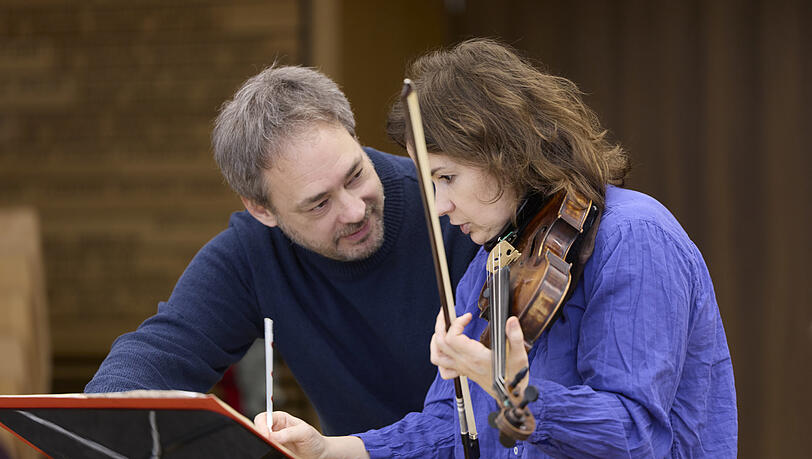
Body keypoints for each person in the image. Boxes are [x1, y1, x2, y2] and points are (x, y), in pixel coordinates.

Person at [254, 39, 738, 458]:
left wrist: (511, 389)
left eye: (447, 177)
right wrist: (330, 449)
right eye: (429, 183)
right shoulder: (496, 262)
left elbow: (636, 436)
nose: (439, 206)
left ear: (507, 152)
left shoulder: (634, 236)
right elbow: (451, 427)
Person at [84, 65, 479, 436]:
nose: (354, 210)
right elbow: (162, 352)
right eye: (319, 204)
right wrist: (94, 423)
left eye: (355, 176)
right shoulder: (252, 254)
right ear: (262, 210)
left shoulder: (452, 206)